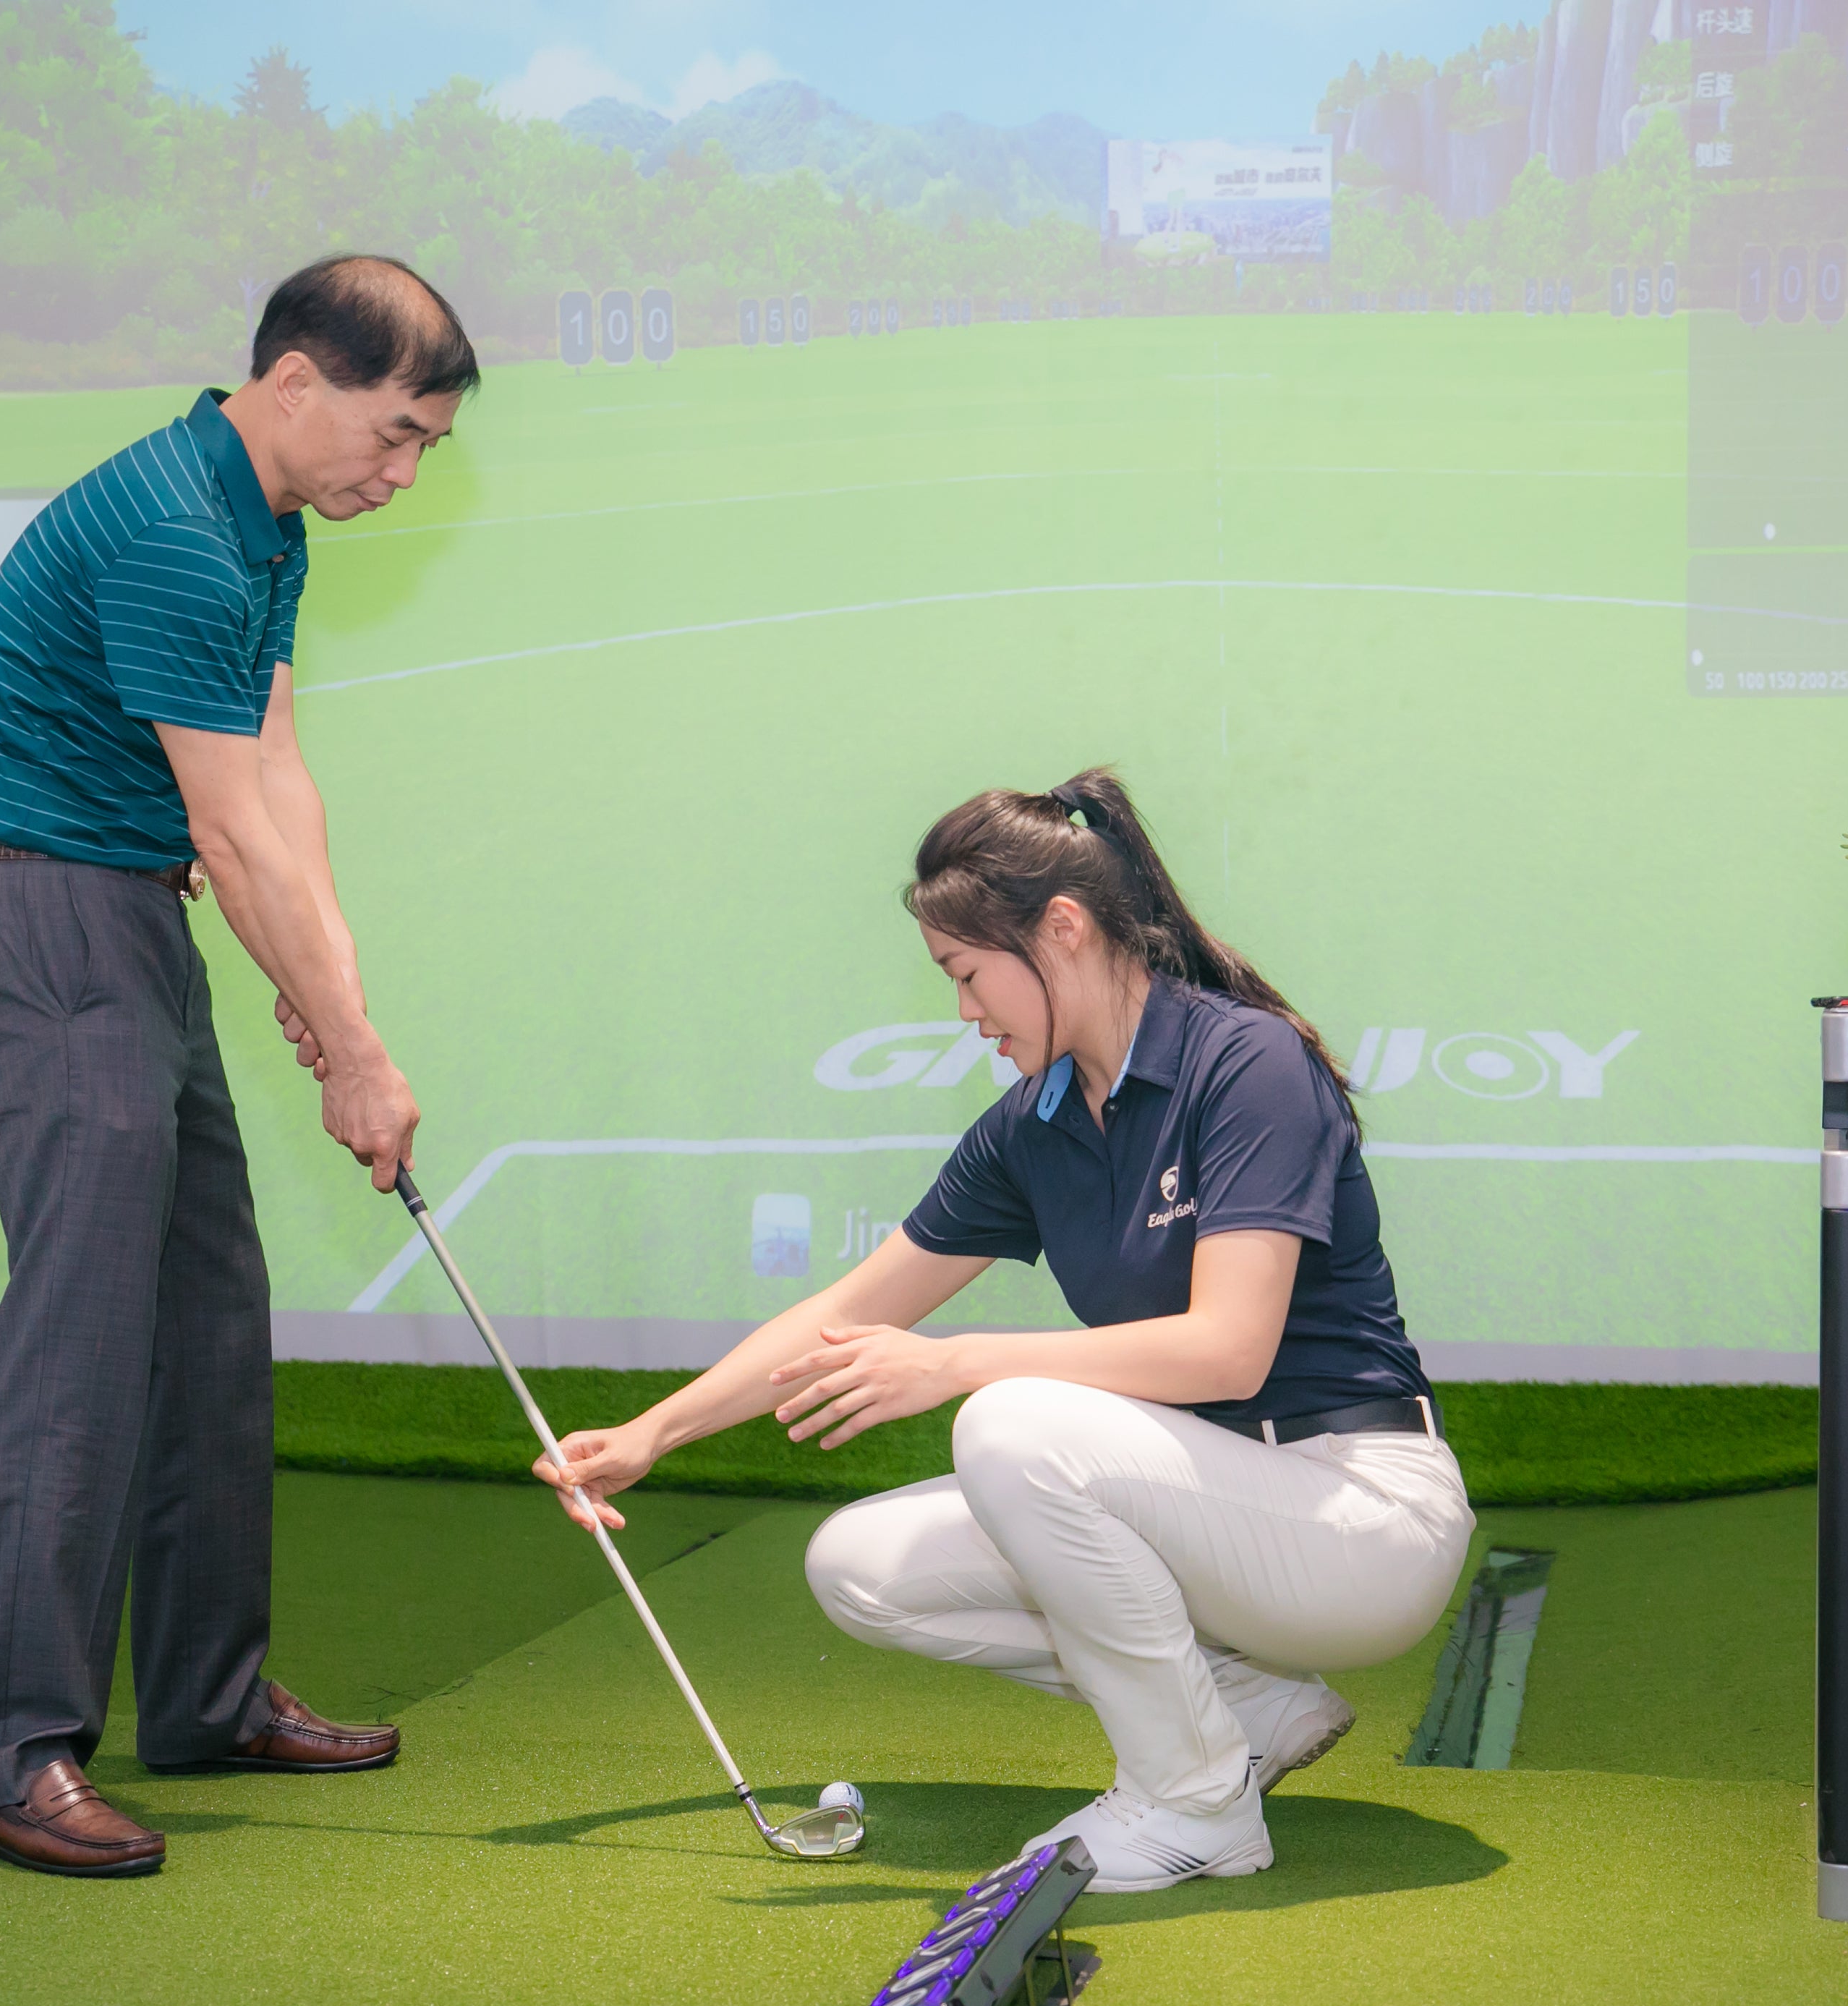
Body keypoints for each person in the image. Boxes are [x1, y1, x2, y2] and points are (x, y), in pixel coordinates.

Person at [540, 771, 1475, 1893]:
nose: (966, 1010)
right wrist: (654, 1430)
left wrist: (954, 1365)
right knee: (860, 1568)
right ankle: (1242, 1712)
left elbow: (1228, 1348)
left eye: (968, 973)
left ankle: (1194, 1803)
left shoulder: (1247, 1064)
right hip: (1214, 1504)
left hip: (1359, 1518)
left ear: (1064, 929)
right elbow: (846, 1311)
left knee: (1012, 1424)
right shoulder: (1032, 1124)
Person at [0, 255, 475, 1878]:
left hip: (130, 927)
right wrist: (353, 1057)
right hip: (45, 926)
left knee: (205, 1327)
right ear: (294, 381)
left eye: (425, 452)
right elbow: (228, 833)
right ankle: (11, 1751)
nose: (400, 473)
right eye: (393, 436)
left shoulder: (268, 527)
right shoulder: (173, 527)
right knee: (84, 1348)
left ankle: (206, 1692)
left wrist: (335, 1009)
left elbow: (277, 778)